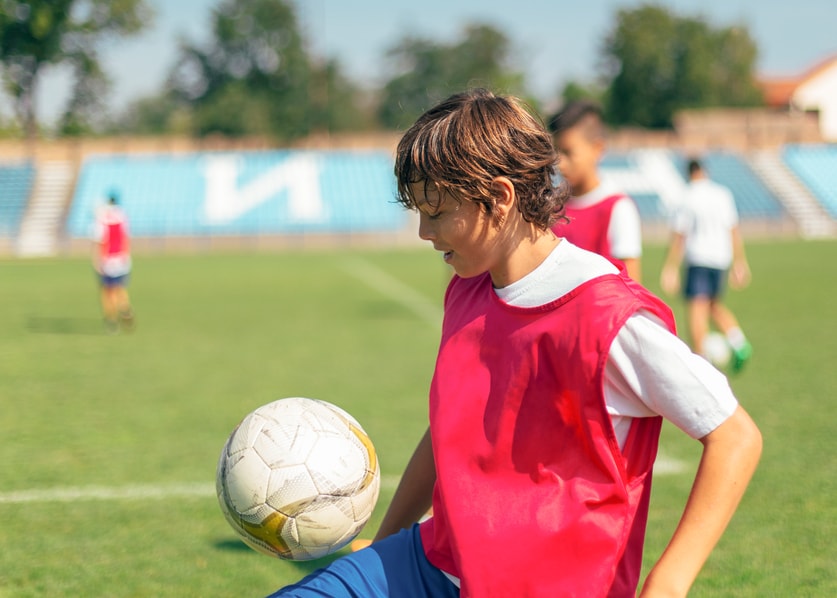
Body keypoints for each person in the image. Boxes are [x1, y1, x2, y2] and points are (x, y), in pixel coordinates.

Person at [268, 89, 761, 597]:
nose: (422, 232)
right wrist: (387, 540)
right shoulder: (467, 288)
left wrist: (670, 579)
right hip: (432, 561)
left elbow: (736, 437)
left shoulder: (609, 317)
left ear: (500, 198)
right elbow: (448, 429)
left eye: (435, 213)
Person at [660, 159, 753, 372]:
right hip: (721, 258)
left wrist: (670, 267)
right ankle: (739, 342)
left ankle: (702, 362)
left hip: (698, 258)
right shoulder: (722, 194)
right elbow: (733, 228)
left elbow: (679, 235)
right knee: (712, 304)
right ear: (705, 171)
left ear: (689, 173)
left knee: (696, 309)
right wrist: (740, 261)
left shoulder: (687, 196)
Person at [548, 99, 643, 281]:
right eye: (556, 151)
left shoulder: (617, 208)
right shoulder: (550, 207)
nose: (559, 162)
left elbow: (631, 288)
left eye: (568, 152)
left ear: (597, 148)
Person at [92, 191, 134, 333]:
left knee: (107, 291)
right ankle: (124, 307)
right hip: (122, 258)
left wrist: (96, 260)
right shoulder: (123, 216)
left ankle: (112, 320)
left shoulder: (102, 218)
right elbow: (126, 238)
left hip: (108, 259)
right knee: (120, 287)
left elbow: (100, 241)